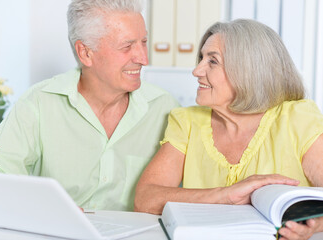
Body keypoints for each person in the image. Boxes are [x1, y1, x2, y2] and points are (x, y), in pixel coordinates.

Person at [135, 19, 323, 239]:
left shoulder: (296, 118)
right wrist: (225, 195)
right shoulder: (187, 122)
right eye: (201, 59)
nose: (196, 71)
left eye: (212, 61)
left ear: (249, 70)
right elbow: (145, 199)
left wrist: (314, 225)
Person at [0, 0, 179, 211]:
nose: (143, 58)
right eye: (127, 46)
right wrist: (45, 208)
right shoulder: (37, 104)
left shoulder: (166, 109)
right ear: (85, 53)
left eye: (143, 42)